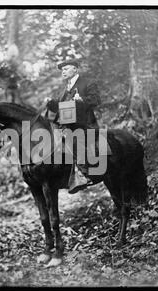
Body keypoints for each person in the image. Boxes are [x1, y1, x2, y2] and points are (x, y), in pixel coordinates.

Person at [55, 59, 102, 194]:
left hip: (85, 124)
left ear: (75, 69)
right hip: (68, 125)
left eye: (66, 69)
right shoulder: (65, 89)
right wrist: (50, 103)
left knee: (74, 139)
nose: (63, 72)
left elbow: (96, 100)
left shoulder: (87, 83)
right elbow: (59, 107)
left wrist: (82, 100)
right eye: (62, 70)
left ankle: (84, 174)